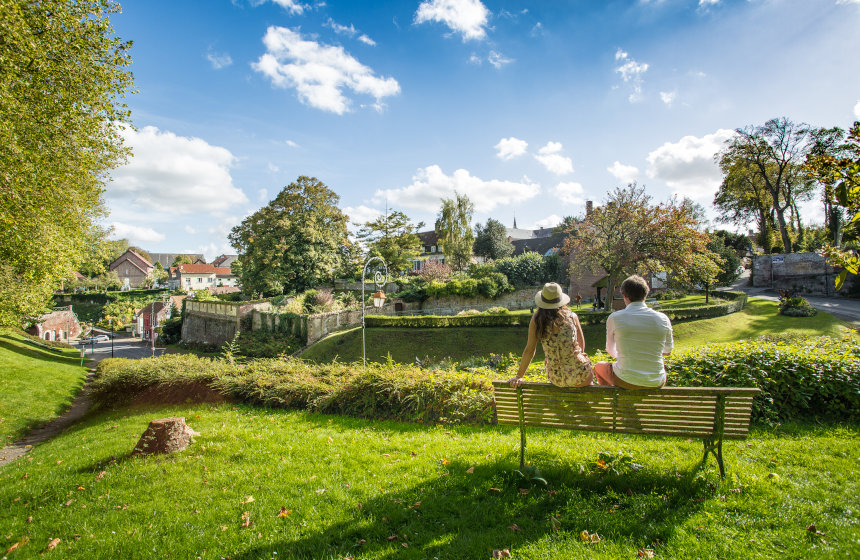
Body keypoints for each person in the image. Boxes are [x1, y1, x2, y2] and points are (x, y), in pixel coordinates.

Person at [593, 275, 673, 389]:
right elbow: (667, 351)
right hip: (656, 380)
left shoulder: (615, 318)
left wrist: (626, 356)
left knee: (599, 367)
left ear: (624, 295)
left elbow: (611, 350)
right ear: (646, 294)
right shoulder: (663, 318)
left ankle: (612, 402)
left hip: (625, 379)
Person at [508, 283, 593, 388]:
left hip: (556, 378)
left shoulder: (537, 320)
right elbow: (581, 345)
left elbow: (529, 351)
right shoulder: (572, 316)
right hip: (580, 376)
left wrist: (518, 376)